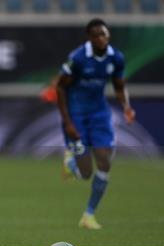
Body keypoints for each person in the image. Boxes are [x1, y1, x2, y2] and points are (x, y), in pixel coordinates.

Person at [55, 18, 135, 230]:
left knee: (105, 162)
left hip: (99, 114)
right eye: (97, 35)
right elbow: (60, 87)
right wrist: (67, 122)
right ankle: (71, 162)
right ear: (90, 38)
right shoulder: (78, 58)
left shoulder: (116, 58)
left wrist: (126, 106)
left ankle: (88, 215)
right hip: (77, 116)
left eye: (105, 34)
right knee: (86, 173)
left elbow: (119, 85)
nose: (102, 38)